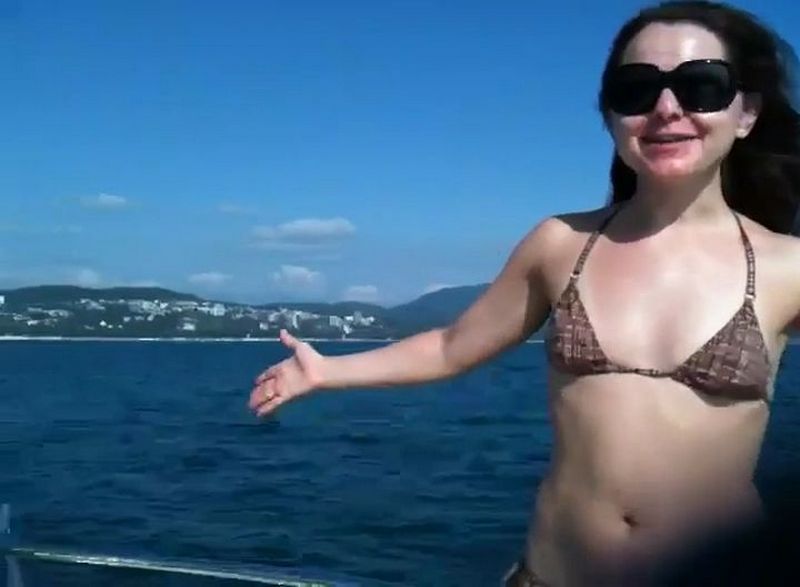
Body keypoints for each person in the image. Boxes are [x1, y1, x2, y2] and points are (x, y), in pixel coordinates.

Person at [248, 1, 800, 585]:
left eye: (701, 86)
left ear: (746, 113)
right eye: (637, 90)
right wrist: (326, 372)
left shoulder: (788, 266)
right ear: (611, 115)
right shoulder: (560, 244)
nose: (666, 108)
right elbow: (452, 346)